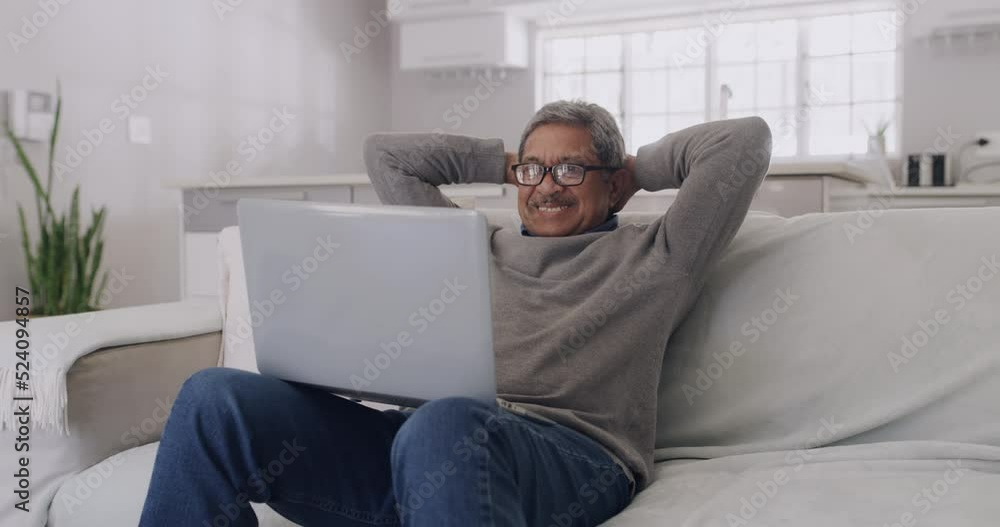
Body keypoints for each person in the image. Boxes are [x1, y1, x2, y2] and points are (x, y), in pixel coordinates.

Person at [139, 100, 772, 527]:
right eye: (533, 170)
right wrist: (505, 164)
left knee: (444, 424)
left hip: (568, 459)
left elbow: (743, 141)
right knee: (212, 398)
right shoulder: (467, 243)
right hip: (416, 451)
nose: (547, 185)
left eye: (572, 169)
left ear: (611, 182)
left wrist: (637, 169)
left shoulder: (659, 252)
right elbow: (387, 155)